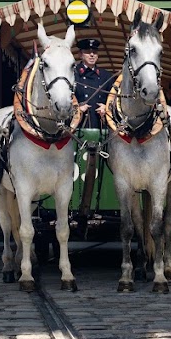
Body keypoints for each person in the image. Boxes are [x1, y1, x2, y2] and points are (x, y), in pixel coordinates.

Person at [73, 39, 111, 214]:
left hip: (100, 129)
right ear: (81, 54)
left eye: (95, 52)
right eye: (88, 51)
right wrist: (77, 108)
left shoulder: (106, 76)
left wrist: (106, 107)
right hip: (76, 130)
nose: (92, 54)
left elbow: (115, 100)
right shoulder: (72, 74)